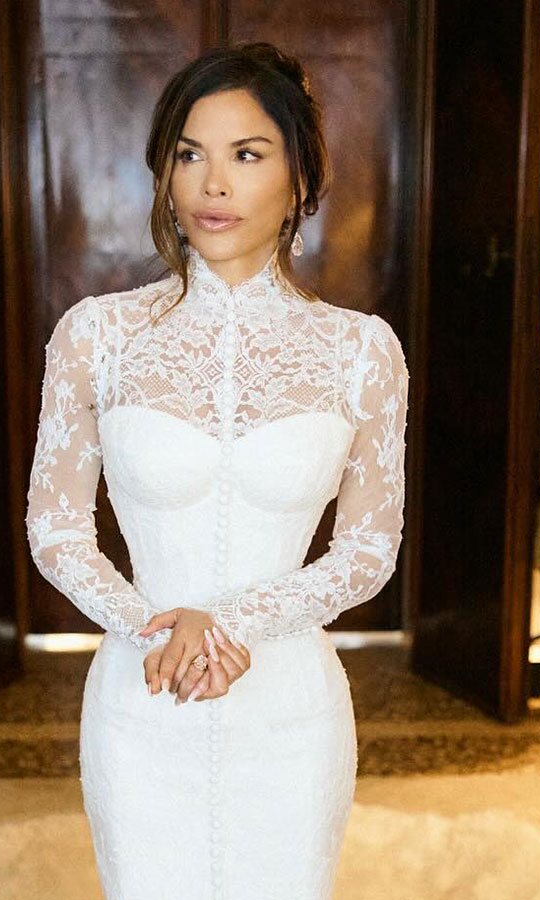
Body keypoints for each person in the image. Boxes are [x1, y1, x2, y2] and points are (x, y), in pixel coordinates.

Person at [25, 41, 409, 900]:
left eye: (247, 154)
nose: (213, 184)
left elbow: (367, 550)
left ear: (302, 178)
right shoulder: (95, 336)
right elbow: (55, 528)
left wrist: (229, 623)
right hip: (143, 696)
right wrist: (155, 630)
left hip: (290, 711)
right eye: (190, 154)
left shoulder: (362, 351)